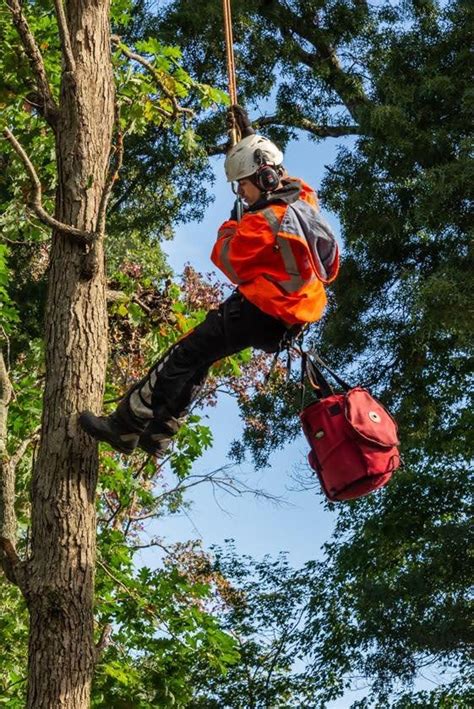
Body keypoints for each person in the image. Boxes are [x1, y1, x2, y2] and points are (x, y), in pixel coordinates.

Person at [79, 106, 339, 456]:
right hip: (287, 321)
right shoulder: (303, 199)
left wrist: (233, 222)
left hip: (260, 312)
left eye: (242, 186)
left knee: (183, 354)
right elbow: (279, 174)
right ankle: (161, 433)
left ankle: (125, 426)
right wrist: (249, 137)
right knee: (200, 358)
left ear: (262, 182)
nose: (241, 194)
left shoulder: (262, 224)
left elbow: (226, 258)